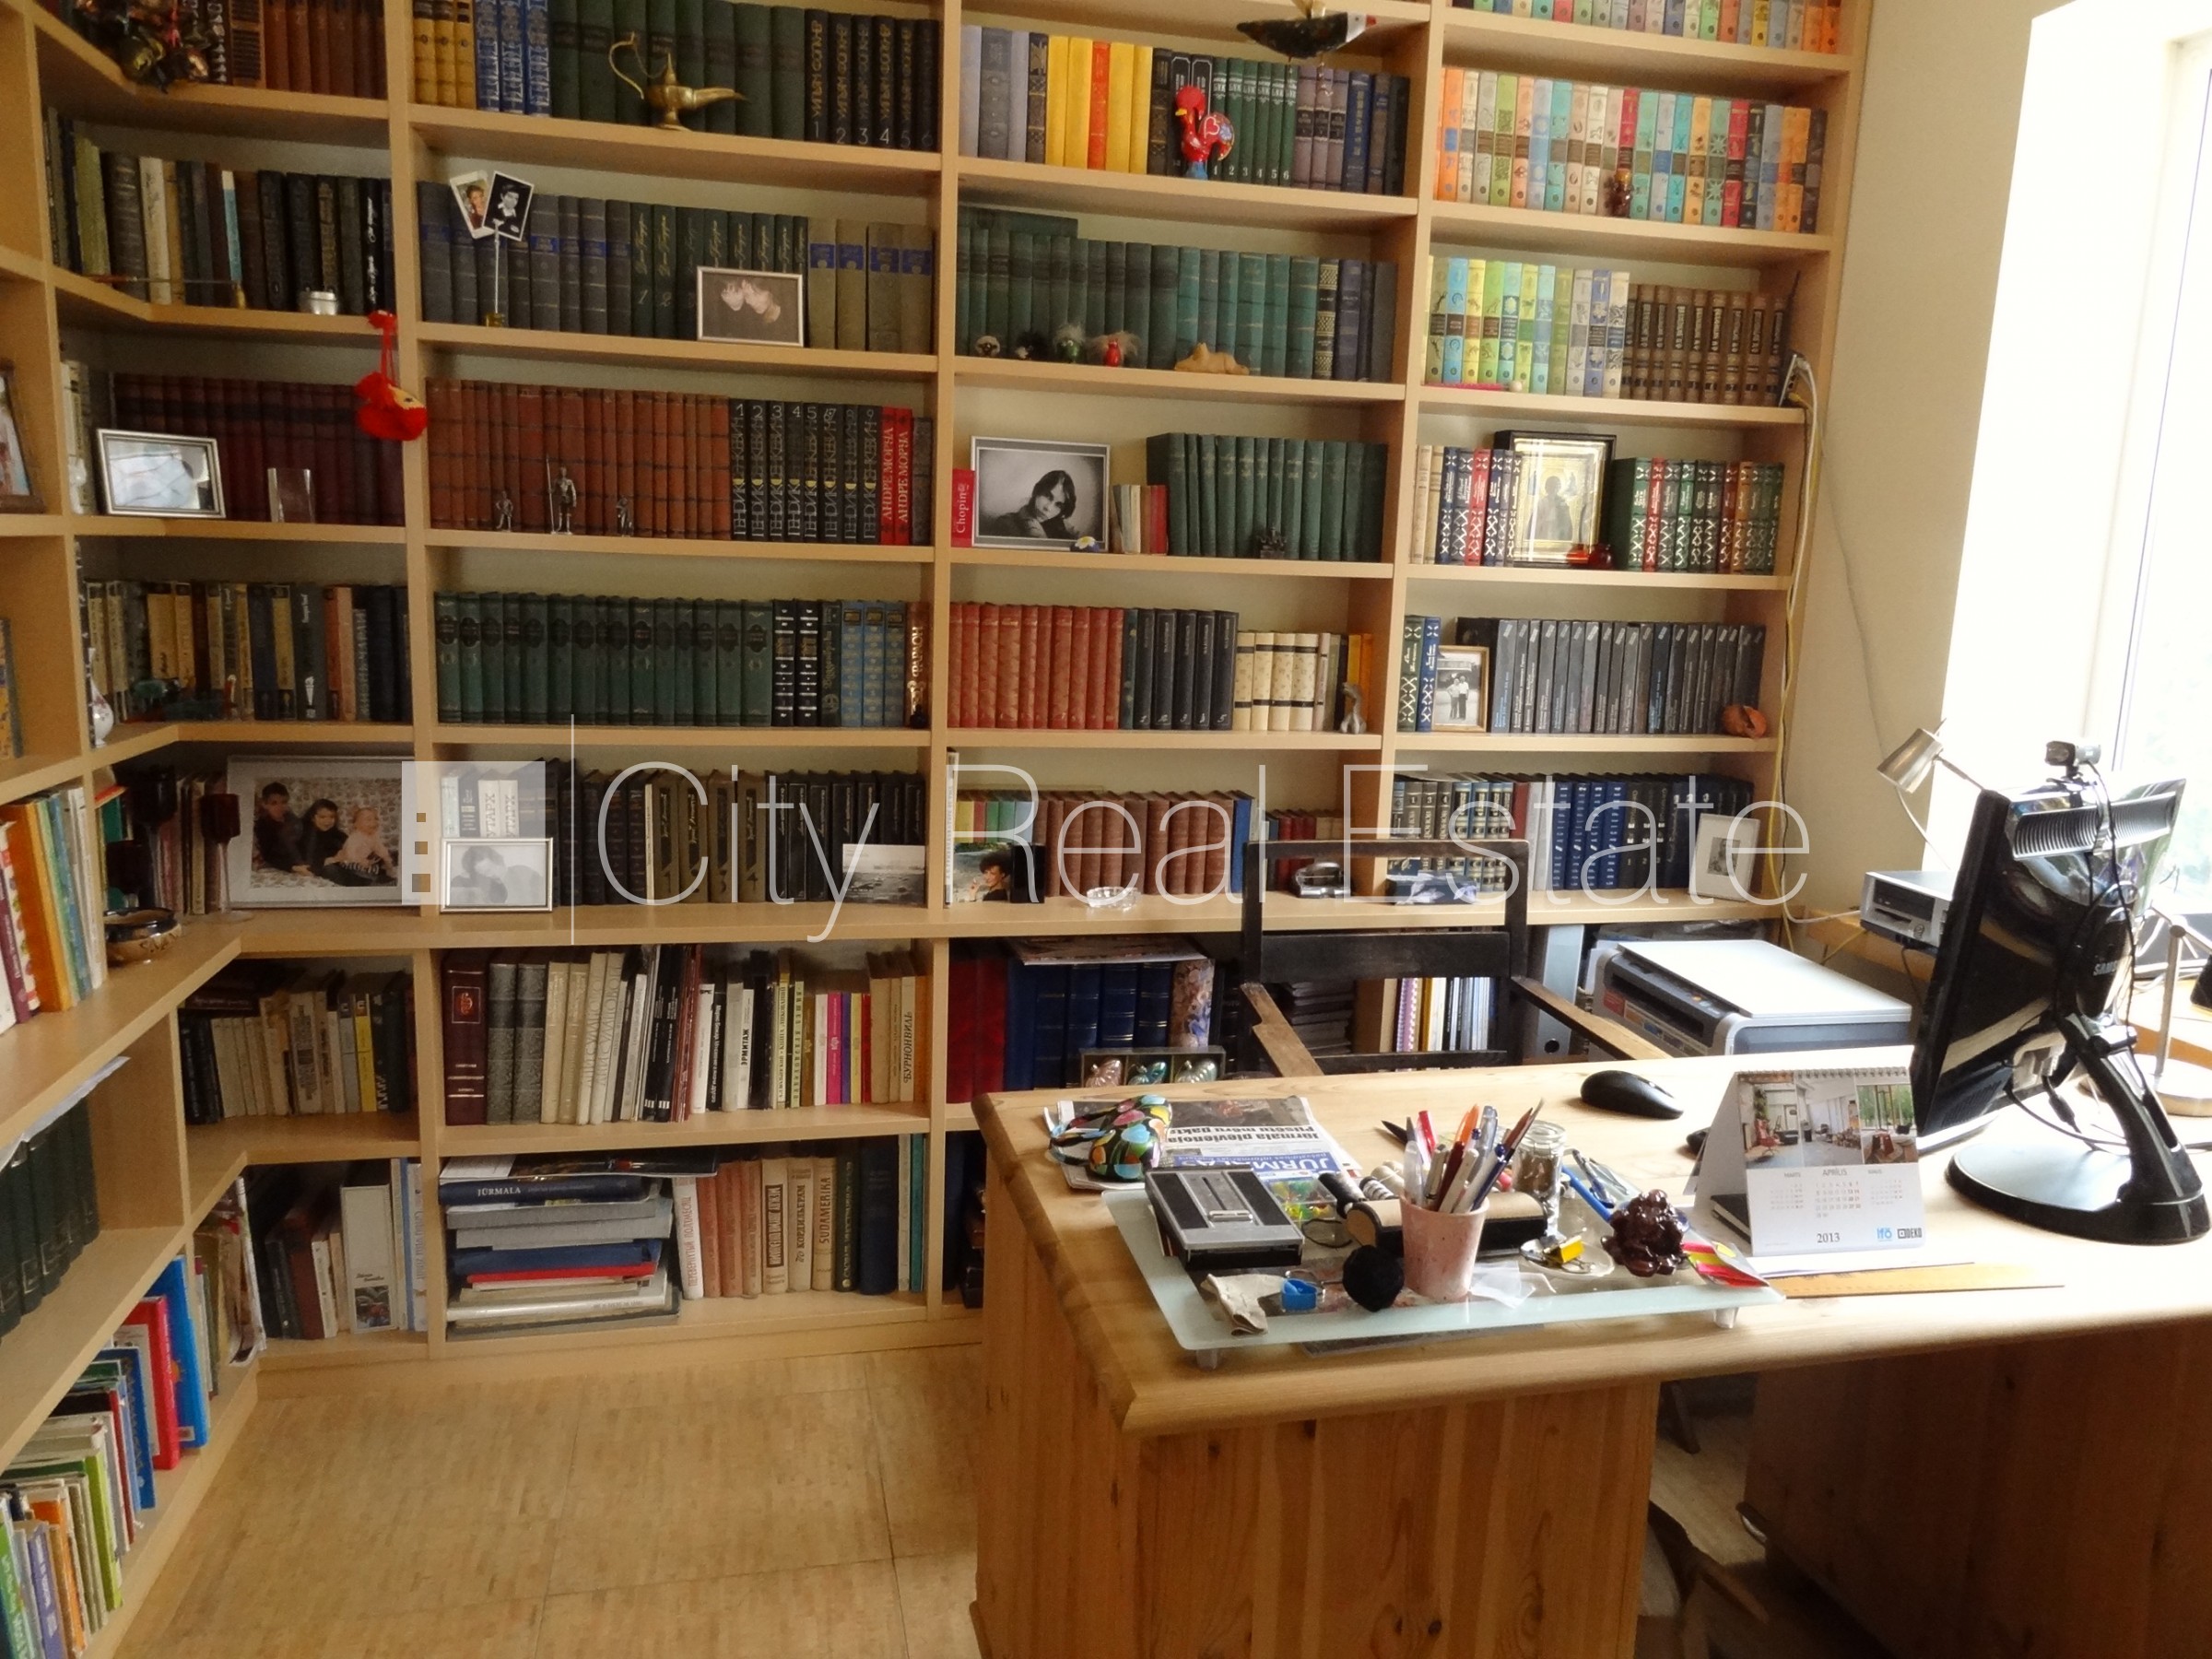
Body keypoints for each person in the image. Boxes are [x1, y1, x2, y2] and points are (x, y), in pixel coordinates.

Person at [985, 468, 1079, 542]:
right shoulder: (1006, 524)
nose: (1048, 508)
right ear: (1037, 491)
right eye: (1047, 496)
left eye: (1058, 505)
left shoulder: (1067, 533)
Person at [252, 782, 308, 875]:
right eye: (274, 803)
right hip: (282, 862)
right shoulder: (263, 825)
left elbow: (302, 838)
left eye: (284, 802)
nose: (280, 807)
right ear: (265, 804)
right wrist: (293, 867)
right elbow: (269, 855)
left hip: (300, 857)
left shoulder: (290, 817)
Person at [449, 843, 511, 908]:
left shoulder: (515, 874)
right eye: (484, 873)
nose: (488, 875)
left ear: (496, 860)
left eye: (488, 870)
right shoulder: (493, 886)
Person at [1531, 469, 1580, 547]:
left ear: (1559, 488)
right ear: (1547, 487)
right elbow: (1535, 522)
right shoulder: (1542, 502)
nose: (1553, 488)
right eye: (1551, 486)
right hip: (1544, 532)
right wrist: (1545, 521)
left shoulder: (1562, 502)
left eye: (1556, 486)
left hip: (1557, 533)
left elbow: (1566, 522)